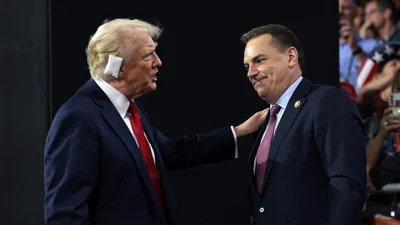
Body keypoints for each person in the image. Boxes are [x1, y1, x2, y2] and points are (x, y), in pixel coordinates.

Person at [43, 18, 267, 225]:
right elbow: (65, 212)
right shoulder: (79, 118)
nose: (158, 62)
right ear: (117, 67)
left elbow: (166, 152)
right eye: (148, 55)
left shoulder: (129, 108)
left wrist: (238, 132)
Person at [241, 24, 367, 225]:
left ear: (291, 57)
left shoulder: (327, 102)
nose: (251, 73)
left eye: (259, 60)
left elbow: (347, 184)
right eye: (247, 66)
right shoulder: (267, 122)